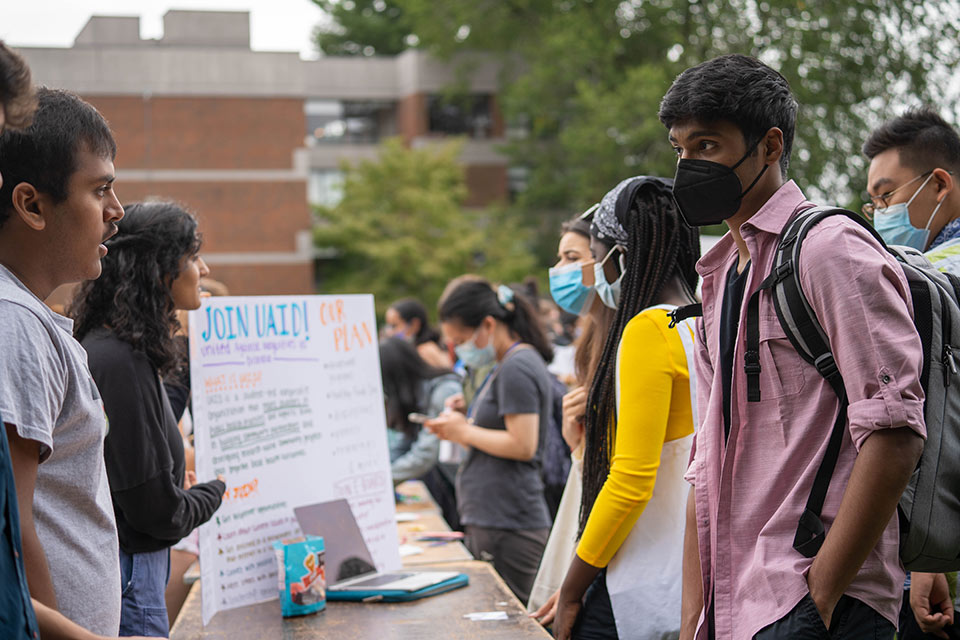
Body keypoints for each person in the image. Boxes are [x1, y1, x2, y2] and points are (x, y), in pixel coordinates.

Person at [658, 54, 925, 639]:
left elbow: (895, 431)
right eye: (680, 150)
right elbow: (707, 466)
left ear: (770, 146)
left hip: (818, 604)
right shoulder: (720, 275)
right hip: (734, 610)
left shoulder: (830, 251)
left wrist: (820, 597)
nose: (689, 167)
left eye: (707, 146)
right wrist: (692, 622)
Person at [550, 176, 701, 640]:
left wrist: (572, 589)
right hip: (696, 571)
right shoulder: (701, 320)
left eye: (594, 259)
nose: (594, 276)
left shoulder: (647, 330)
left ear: (620, 255)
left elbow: (631, 482)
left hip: (646, 575)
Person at [0, 86, 125, 636]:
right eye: (100, 189)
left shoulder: (28, 317)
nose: (116, 211)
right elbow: (14, 529)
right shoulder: (15, 324)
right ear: (31, 204)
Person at [69, 201, 226, 637]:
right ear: (159, 270)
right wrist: (212, 494)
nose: (204, 268)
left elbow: (147, 457)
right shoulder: (119, 359)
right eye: (192, 257)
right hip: (131, 577)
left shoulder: (120, 349)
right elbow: (153, 509)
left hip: (129, 571)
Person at [863, 108, 960, 639]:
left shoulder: (931, 280)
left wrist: (924, 551)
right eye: (872, 204)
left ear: (938, 184)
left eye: (886, 197)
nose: (879, 215)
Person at [425, 279, 554, 604]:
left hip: (507, 520)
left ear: (488, 324)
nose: (459, 348)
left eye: (461, 339)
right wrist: (470, 413)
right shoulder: (507, 365)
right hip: (498, 517)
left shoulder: (516, 366)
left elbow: (523, 444)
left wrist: (463, 431)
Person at [384, 298, 453, 368]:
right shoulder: (409, 351)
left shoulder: (426, 352)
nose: (389, 332)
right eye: (388, 326)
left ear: (414, 324)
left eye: (394, 325)